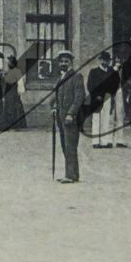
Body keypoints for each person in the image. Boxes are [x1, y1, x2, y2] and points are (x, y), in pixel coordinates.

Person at [50, 49, 85, 184]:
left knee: (70, 146)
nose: (63, 63)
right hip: (60, 116)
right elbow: (56, 97)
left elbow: (79, 97)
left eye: (66, 61)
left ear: (71, 62)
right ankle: (73, 174)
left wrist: (71, 113)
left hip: (71, 118)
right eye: (61, 61)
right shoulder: (61, 77)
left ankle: (70, 175)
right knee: (65, 146)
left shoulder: (76, 77)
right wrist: (54, 107)